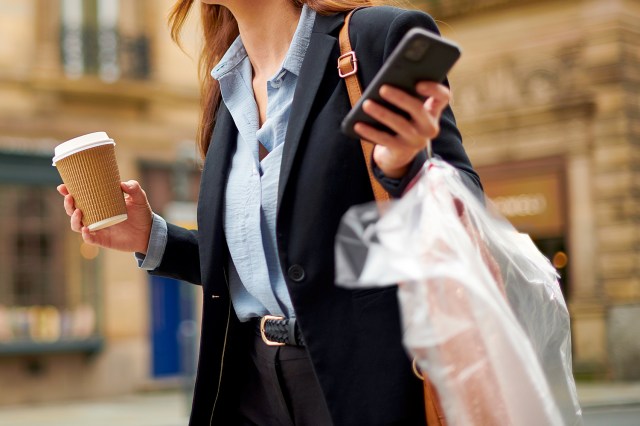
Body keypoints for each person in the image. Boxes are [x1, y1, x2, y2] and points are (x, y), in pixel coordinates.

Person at [57, 0, 482, 424]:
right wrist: (151, 237)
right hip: (252, 384)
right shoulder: (226, 89)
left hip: (364, 383)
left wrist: (402, 169)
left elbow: (465, 211)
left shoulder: (376, 38)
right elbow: (269, 260)